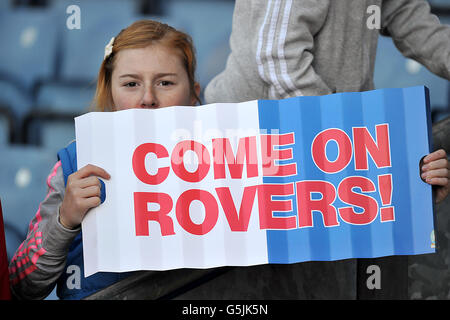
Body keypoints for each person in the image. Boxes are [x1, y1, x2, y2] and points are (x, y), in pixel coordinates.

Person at [8, 19, 201, 300]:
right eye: (131, 83)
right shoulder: (77, 165)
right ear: (110, 94)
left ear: (194, 93)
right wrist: (65, 220)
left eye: (165, 82)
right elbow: (22, 285)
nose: (148, 98)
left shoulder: (225, 160)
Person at [205, 0, 449, 203]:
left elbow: (417, 26)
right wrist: (340, 136)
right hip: (260, 137)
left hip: (323, 136)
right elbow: (278, 57)